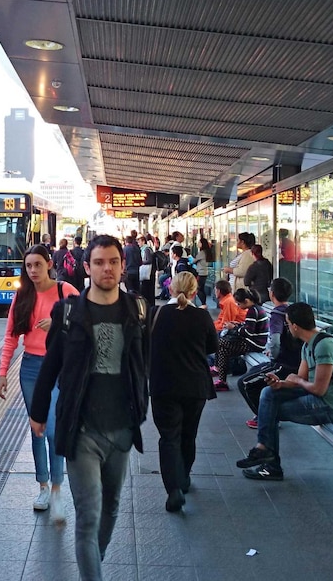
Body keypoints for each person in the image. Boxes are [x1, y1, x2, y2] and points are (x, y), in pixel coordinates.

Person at [29, 235, 149, 580]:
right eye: (99, 262)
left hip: (122, 428)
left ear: (123, 265)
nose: (107, 268)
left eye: (113, 261)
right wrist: (38, 413)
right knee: (89, 515)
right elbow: (51, 365)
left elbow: (144, 363)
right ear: (87, 267)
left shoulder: (138, 310)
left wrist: (142, 406)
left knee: (111, 507)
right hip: (81, 429)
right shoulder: (68, 312)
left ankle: (92, 562)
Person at [0, 245, 78, 523]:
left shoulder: (65, 291)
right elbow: (10, 336)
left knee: (54, 429)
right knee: (37, 430)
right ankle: (42, 487)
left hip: (59, 367)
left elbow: (85, 325)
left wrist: (58, 324)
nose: (32, 271)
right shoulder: (22, 295)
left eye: (38, 265)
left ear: (48, 264)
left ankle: (56, 489)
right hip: (31, 368)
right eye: (28, 266)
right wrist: (2, 372)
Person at [236, 302, 333, 481]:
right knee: (268, 393)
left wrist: (295, 380)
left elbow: (319, 389)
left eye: (288, 324)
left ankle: (270, 462)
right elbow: (301, 379)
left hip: (332, 406)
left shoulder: (324, 346)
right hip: (316, 396)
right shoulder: (308, 345)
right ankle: (264, 450)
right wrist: (280, 383)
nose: (287, 328)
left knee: (270, 411)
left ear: (295, 326)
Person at [150, 271, 218, 512]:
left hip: (163, 385)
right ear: (194, 292)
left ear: (170, 289)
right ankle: (184, 477)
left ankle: (173, 489)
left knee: (168, 437)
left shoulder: (156, 313)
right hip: (195, 386)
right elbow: (213, 346)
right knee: (188, 435)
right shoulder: (202, 317)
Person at [238, 278, 301, 429]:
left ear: (272, 294)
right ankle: (266, 413)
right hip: (296, 362)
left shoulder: (278, 314)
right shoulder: (293, 310)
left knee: (245, 383)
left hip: (284, 364)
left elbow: (276, 341)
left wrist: (273, 355)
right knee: (254, 372)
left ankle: (266, 417)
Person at [212, 288, 268, 391]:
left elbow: (248, 333)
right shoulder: (255, 308)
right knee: (223, 349)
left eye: (239, 304)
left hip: (254, 344)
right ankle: (222, 380)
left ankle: (219, 371)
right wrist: (239, 325)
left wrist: (233, 328)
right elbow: (249, 327)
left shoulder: (252, 311)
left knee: (221, 342)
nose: (238, 306)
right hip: (255, 342)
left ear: (246, 301)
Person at [192, 238, 213, 308]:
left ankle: (203, 303)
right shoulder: (207, 252)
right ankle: (204, 303)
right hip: (204, 272)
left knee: (198, 289)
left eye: (199, 242)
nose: (198, 244)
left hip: (200, 272)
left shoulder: (202, 253)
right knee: (202, 289)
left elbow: (194, 261)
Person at [137, 235, 155, 307]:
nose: (138, 243)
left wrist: (141, 262)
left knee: (147, 289)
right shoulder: (145, 248)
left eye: (139, 241)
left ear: (143, 241)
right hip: (149, 272)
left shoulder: (146, 249)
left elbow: (149, 260)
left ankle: (149, 305)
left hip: (149, 272)